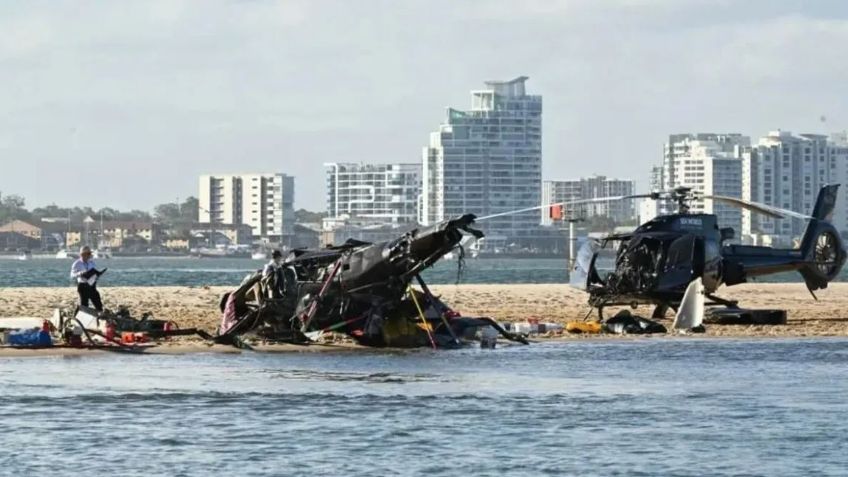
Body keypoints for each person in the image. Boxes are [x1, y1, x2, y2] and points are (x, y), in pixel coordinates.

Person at [70, 246, 107, 311]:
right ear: (83, 254)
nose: (90, 255)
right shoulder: (76, 264)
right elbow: (72, 275)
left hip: (92, 286)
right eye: (88, 254)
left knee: (98, 303)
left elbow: (93, 272)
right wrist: (80, 273)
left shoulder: (91, 262)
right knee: (84, 305)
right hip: (83, 286)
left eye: (90, 254)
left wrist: (97, 275)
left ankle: (100, 316)